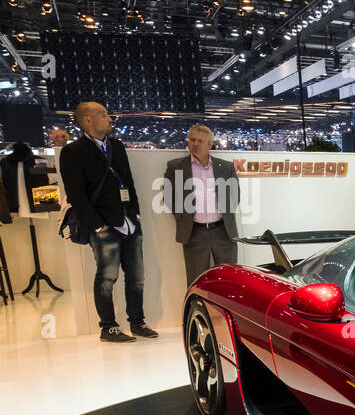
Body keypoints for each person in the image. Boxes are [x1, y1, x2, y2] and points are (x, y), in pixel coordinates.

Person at [60, 102, 157, 342]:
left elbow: (129, 181)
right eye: (103, 115)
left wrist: (135, 213)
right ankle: (108, 327)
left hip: (129, 221)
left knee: (136, 275)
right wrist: (97, 225)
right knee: (107, 277)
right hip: (103, 224)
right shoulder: (73, 151)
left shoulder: (116, 146)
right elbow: (76, 195)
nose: (109, 118)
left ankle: (137, 322)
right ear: (87, 120)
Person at [164, 123, 241, 286]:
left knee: (229, 281)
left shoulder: (226, 167)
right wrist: (182, 218)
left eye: (200, 140)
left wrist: (226, 215)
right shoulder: (176, 166)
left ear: (210, 144)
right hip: (194, 234)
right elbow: (169, 197)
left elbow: (235, 195)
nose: (195, 144)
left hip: (224, 232)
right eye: (192, 139)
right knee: (197, 283)